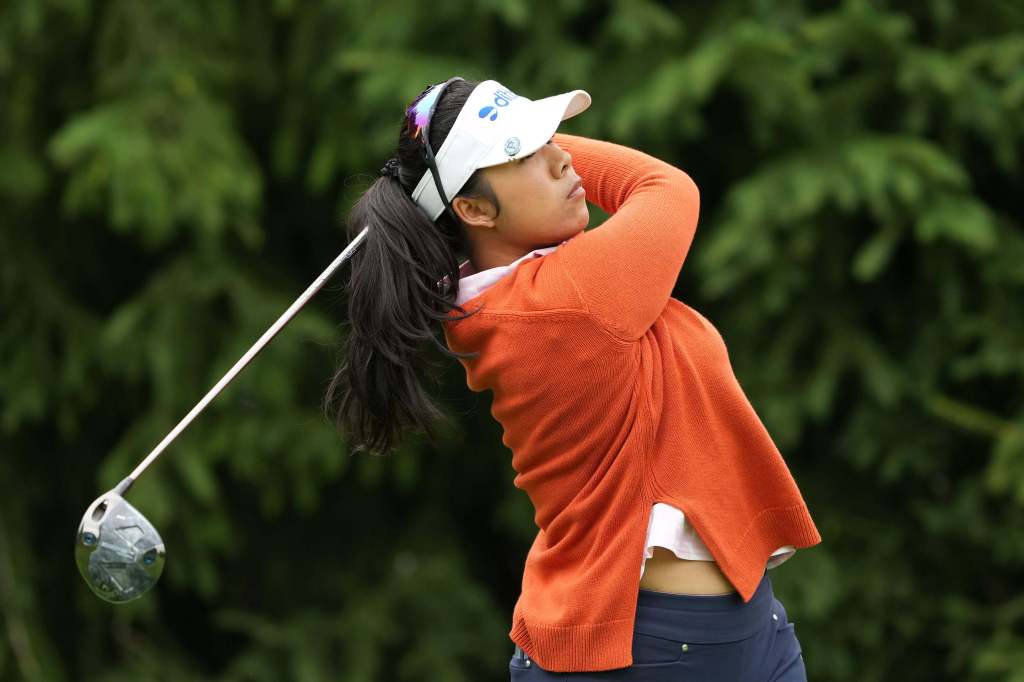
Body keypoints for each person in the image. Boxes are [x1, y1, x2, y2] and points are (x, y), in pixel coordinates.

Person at [324, 77, 822, 681]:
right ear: (474, 209)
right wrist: (466, 154)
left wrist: (493, 150)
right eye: (524, 155)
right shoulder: (569, 298)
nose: (561, 159)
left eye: (551, 142)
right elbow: (665, 187)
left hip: (740, 629)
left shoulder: (519, 295)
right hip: (655, 650)